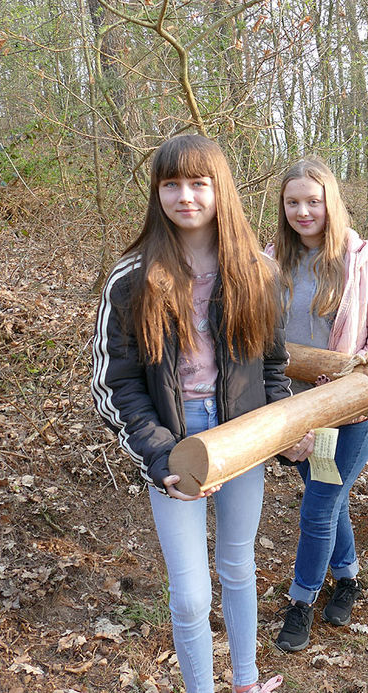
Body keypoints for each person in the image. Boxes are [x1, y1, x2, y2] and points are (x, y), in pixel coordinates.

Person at [91, 134, 288, 693]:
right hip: (175, 444)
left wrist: (279, 430)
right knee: (191, 592)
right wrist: (157, 453)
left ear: (219, 188)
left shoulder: (259, 272)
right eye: (171, 184)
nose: (186, 196)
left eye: (198, 183)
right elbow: (115, 383)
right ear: (157, 193)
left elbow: (273, 367)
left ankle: (246, 682)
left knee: (238, 568)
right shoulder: (131, 278)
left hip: (242, 439)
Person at [268, 158, 368, 651]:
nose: (304, 211)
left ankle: (301, 601)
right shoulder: (271, 260)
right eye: (293, 202)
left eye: (313, 201)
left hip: (350, 409)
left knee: (319, 506)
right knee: (330, 497)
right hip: (295, 409)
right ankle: (347, 576)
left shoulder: (363, 259)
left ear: (331, 203)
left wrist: (350, 370)